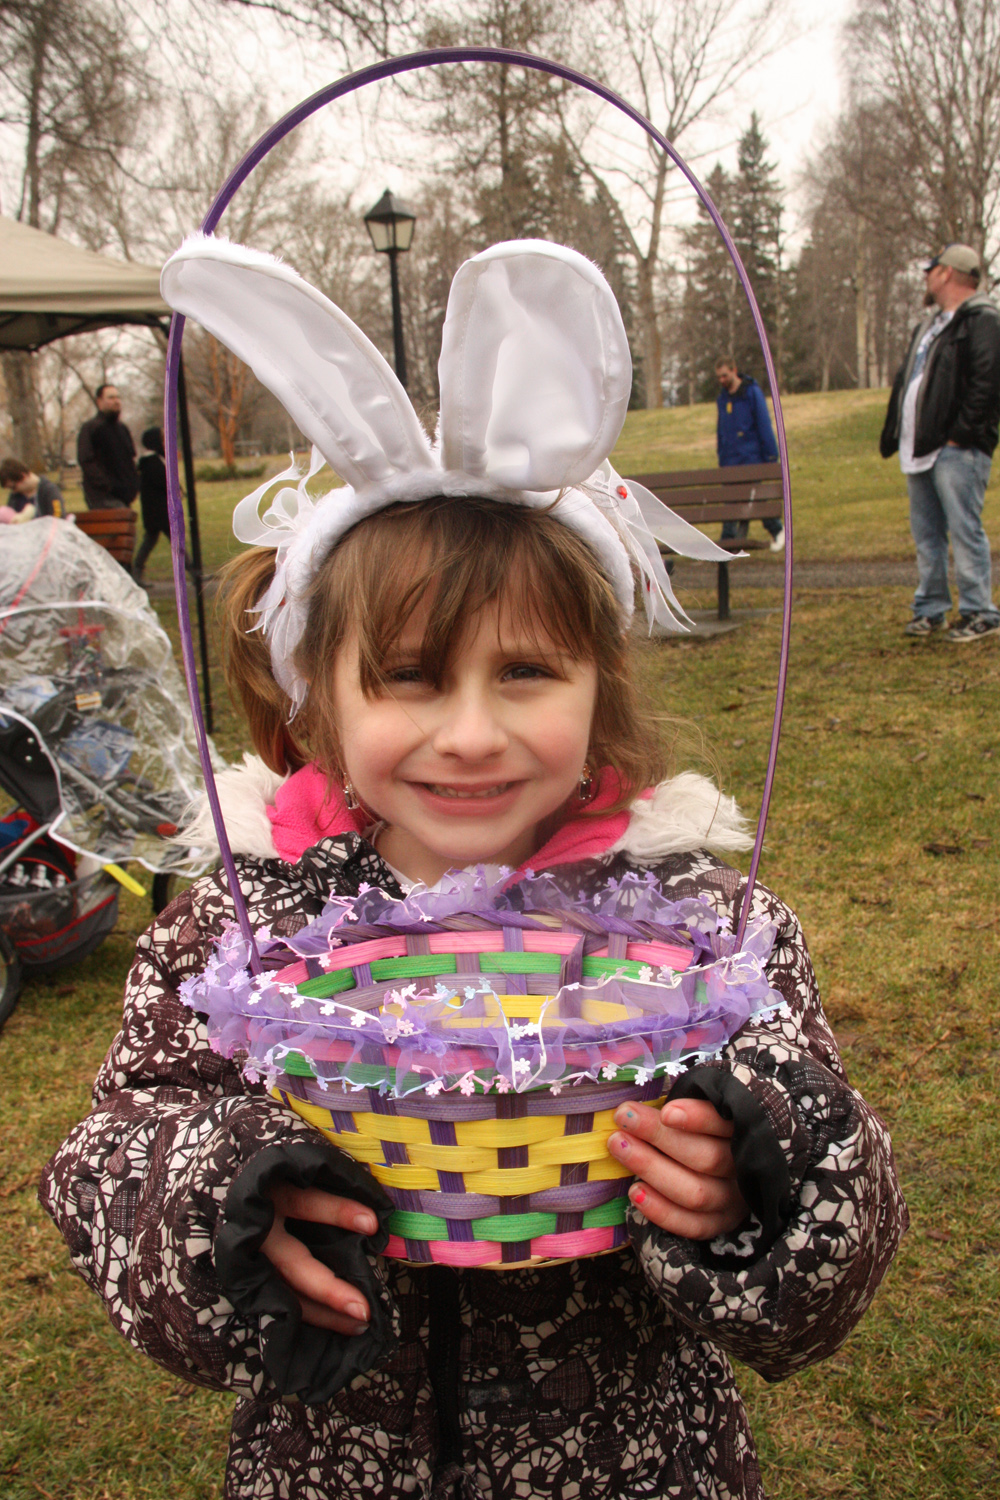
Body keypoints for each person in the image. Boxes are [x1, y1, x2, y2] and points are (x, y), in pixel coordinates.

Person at [40, 237, 906, 1500]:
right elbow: (110, 1160)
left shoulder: (707, 934)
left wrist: (761, 1178)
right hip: (332, 1465)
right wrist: (216, 1200)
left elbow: (840, 1247)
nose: (469, 734)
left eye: (524, 672)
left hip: (633, 1463)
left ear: (598, 687)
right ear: (319, 704)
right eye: (406, 677)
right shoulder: (240, 938)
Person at [880, 243, 1000, 642]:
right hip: (920, 449)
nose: (926, 277)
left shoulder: (982, 321)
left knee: (965, 529)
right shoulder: (930, 326)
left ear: (947, 273)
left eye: (931, 269)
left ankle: (979, 611)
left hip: (956, 449)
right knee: (927, 534)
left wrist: (960, 436)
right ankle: (930, 608)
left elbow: (987, 383)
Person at [715, 356, 784, 552]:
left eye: (725, 375)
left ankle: (777, 530)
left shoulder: (751, 393)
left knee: (756, 497)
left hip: (750, 457)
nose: (722, 380)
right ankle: (727, 543)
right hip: (730, 460)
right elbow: (721, 429)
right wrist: (721, 454)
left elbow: (763, 424)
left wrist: (771, 456)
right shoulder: (723, 398)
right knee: (730, 500)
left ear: (734, 370)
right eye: (719, 377)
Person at [76, 383, 139, 510]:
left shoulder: (122, 429)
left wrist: (134, 484)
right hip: (102, 497)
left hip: (125, 496)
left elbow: (130, 458)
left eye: (118, 397)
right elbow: (86, 460)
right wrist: (108, 485)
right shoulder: (91, 428)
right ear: (99, 401)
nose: (116, 401)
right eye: (111, 398)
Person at [133, 426, 170, 584]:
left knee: (149, 542)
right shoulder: (151, 463)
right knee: (176, 542)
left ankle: (136, 573)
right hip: (158, 512)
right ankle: (194, 571)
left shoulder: (149, 461)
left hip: (155, 511)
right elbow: (164, 482)